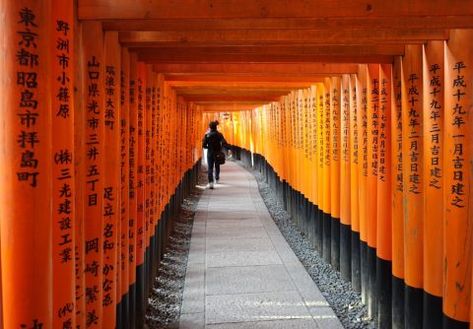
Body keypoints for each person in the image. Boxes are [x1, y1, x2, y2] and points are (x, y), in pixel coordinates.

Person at [202, 121, 227, 189]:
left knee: (210, 168)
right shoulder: (219, 135)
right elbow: (224, 142)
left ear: (210, 127)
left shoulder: (207, 135)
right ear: (216, 127)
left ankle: (211, 183)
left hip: (210, 153)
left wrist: (209, 147)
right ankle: (217, 178)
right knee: (217, 166)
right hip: (217, 153)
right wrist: (221, 147)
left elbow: (204, 145)